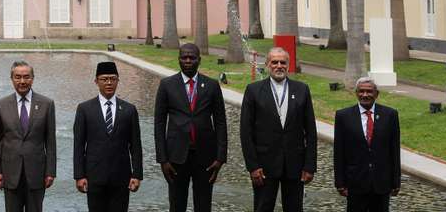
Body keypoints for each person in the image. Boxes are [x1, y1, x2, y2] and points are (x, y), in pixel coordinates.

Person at [240, 47, 317, 212]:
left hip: (295, 165)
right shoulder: (253, 91)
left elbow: (311, 131)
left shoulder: (302, 89)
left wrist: (309, 166)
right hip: (264, 165)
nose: (279, 66)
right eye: (275, 62)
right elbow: (246, 132)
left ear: (288, 65)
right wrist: (252, 166)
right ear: (268, 65)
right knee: (263, 207)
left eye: (283, 62)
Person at [154, 43, 226, 212]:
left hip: (206, 157)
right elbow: (159, 124)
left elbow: (221, 123)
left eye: (192, 57)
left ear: (199, 60)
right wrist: (163, 159)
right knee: (177, 205)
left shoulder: (212, 86)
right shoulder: (166, 85)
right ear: (178, 60)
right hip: (176, 158)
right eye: (184, 57)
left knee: (203, 205)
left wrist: (220, 158)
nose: (188, 60)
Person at [73, 60, 143, 212]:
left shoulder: (129, 110)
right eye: (104, 79)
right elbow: (78, 145)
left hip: (121, 178)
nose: (109, 83)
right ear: (96, 81)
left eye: (113, 79)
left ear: (118, 81)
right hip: (94, 177)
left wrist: (137, 174)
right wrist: (79, 175)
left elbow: (136, 146)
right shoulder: (84, 109)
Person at [0, 60, 56, 212]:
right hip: (10, 174)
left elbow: (51, 142)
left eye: (26, 77)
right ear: (12, 79)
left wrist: (50, 172)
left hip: (37, 174)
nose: (22, 81)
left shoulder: (47, 104)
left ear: (32, 78)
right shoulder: (1, 105)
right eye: (18, 77)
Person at [333, 77, 400, 212]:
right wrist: (340, 182)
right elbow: (339, 152)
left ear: (376, 93)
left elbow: (394, 150)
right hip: (355, 182)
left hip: (381, 183)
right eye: (361, 91)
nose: (365, 95)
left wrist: (396, 181)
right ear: (356, 93)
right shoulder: (343, 116)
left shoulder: (390, 115)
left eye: (369, 91)